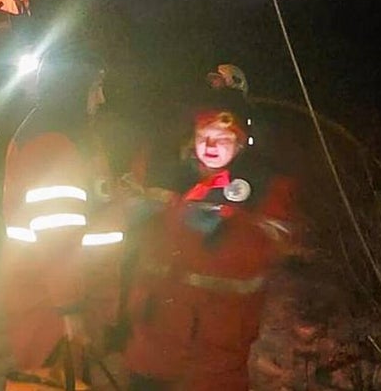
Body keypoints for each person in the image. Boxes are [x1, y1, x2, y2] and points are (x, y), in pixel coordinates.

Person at [121, 75, 295, 390]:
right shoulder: (169, 179)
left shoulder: (265, 188)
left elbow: (274, 253)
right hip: (151, 350)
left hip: (216, 360)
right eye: (204, 136)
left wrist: (230, 226)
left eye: (223, 138)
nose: (211, 146)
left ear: (241, 142)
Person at [0, 45, 129, 388]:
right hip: (52, 305)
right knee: (52, 382)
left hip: (58, 296)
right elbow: (57, 237)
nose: (100, 98)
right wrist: (70, 309)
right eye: (94, 88)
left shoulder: (62, 135)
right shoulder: (53, 145)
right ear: (72, 88)